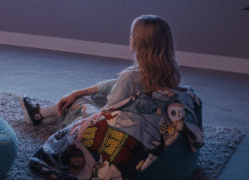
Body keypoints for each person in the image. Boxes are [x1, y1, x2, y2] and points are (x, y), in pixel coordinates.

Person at [21, 14, 181, 127]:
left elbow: (103, 116)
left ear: (140, 44)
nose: (130, 39)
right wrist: (79, 91)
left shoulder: (130, 77)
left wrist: (79, 97)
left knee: (81, 103)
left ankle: (39, 115)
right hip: (144, 122)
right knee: (92, 95)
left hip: (112, 128)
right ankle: (39, 114)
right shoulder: (171, 75)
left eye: (132, 36)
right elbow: (112, 85)